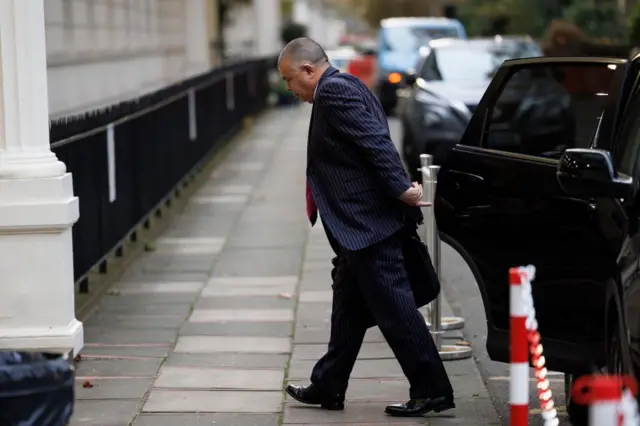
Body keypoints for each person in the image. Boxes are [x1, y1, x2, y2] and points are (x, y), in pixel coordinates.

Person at [278, 37, 454, 417]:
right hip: (355, 227)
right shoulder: (340, 86)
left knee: (396, 310)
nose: (288, 89)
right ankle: (328, 384)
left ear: (308, 70)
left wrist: (401, 188)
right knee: (348, 309)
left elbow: (375, 142)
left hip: (367, 224)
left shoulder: (336, 92)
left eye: (289, 79)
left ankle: (432, 390)